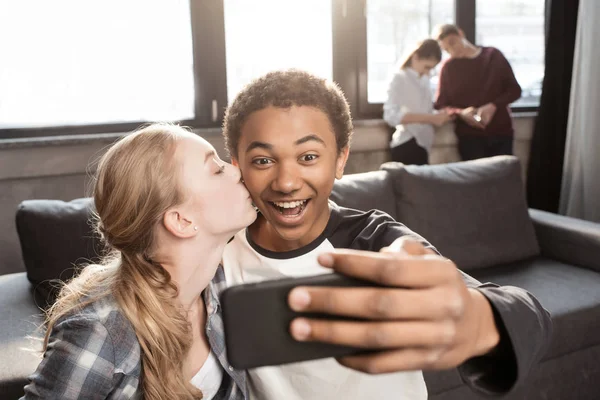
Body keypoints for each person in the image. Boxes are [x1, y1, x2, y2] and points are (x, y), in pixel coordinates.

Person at [221, 70, 551, 399]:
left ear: (340, 158)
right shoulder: (219, 248)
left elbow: (529, 315)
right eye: (263, 160)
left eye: (308, 157)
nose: (286, 182)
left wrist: (478, 320)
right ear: (238, 166)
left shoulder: (377, 240)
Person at [21, 124, 255, 399]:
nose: (238, 170)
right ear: (181, 221)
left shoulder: (223, 284)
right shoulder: (99, 332)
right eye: (216, 169)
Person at [434, 24, 522, 161]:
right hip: (469, 137)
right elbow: (441, 105)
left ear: (460, 34)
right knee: (474, 180)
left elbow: (515, 90)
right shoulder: (447, 68)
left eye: (452, 43)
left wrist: (493, 105)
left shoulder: (493, 56)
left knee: (503, 178)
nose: (452, 50)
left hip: (501, 132)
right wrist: (461, 113)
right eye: (446, 49)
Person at [384, 39, 454, 165]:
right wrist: (431, 118)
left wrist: (438, 115)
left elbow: (424, 110)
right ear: (415, 57)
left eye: (431, 68)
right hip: (406, 144)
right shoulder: (399, 78)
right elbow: (390, 116)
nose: (428, 72)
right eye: (427, 67)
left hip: (424, 145)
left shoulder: (425, 80)